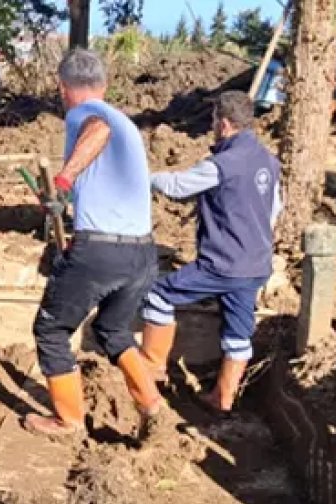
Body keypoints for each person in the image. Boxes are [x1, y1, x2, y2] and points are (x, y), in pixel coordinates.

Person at [24, 49, 164, 440]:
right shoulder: (128, 124)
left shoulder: (85, 114)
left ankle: (68, 421)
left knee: (51, 330)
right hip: (142, 253)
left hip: (102, 251)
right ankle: (152, 404)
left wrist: (63, 182)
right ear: (104, 84)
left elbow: (96, 128)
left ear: (63, 87)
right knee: (113, 331)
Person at [141, 91, 282, 414]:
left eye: (214, 121)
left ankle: (151, 374)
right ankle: (223, 398)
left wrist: (146, 179)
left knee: (159, 296)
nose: (212, 127)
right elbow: (274, 210)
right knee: (238, 332)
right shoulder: (268, 161)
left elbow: (178, 187)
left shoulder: (224, 164)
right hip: (255, 264)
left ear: (225, 124)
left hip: (222, 264)